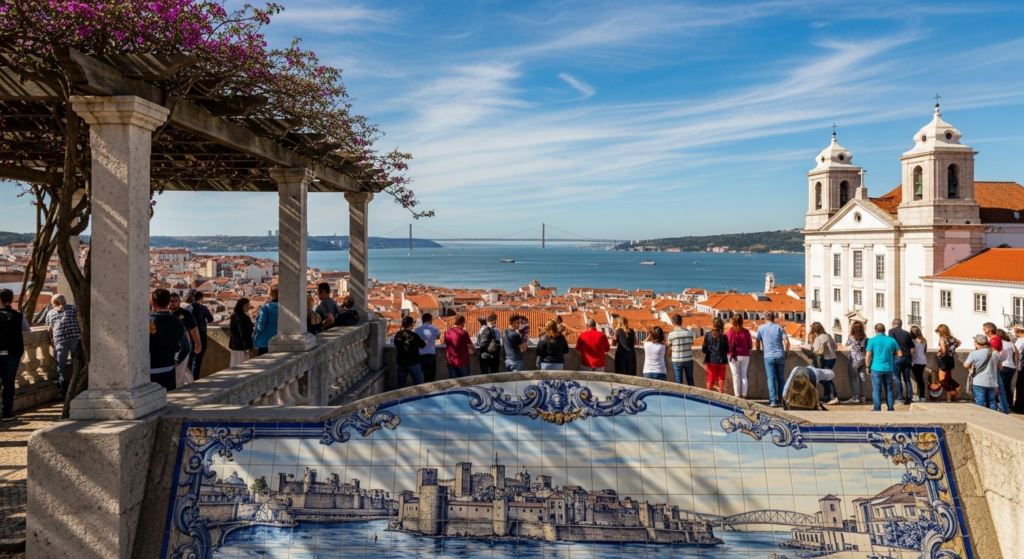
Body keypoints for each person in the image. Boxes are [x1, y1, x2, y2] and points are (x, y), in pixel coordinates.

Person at [149, 288, 190, 392]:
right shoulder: (177, 322)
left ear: (152, 302)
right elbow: (186, 347)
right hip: (168, 369)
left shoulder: (148, 321)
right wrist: (178, 360)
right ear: (168, 302)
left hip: (149, 370)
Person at [0, 289, 30, 421]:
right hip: (12, 354)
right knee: (9, 384)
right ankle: (7, 413)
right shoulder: (18, 316)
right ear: (12, 299)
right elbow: (27, 329)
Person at [44, 294, 80, 398]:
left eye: (62, 300)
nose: (62, 302)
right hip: (60, 340)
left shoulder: (73, 308)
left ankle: (76, 388)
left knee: (76, 363)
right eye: (59, 301)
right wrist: (52, 340)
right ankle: (63, 390)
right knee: (60, 366)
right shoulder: (50, 313)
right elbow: (50, 328)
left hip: (74, 338)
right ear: (54, 303)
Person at [756, 312, 790, 407]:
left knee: (771, 378)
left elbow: (758, 340)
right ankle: (782, 399)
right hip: (780, 355)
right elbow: (786, 341)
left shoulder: (761, 328)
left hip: (768, 356)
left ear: (764, 319)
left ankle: (773, 401)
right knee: (781, 378)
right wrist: (786, 352)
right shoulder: (779, 327)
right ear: (773, 318)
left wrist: (758, 350)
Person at [866, 323, 902, 412]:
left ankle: (877, 408)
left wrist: (867, 366)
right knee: (889, 388)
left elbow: (868, 356)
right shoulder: (892, 340)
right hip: (889, 368)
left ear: (875, 330)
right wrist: (890, 354)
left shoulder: (872, 340)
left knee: (876, 389)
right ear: (884, 330)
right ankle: (890, 408)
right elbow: (900, 354)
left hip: (876, 367)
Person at [169, 292, 200, 386]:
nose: (173, 303)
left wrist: (198, 343)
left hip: (182, 347)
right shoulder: (165, 313)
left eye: (175, 301)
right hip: (169, 347)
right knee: (184, 370)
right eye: (171, 301)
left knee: (180, 371)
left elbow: (194, 329)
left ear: (179, 302)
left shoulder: (185, 314)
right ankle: (191, 385)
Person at [964, 334, 1000, 410]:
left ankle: (981, 418)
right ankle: (994, 418)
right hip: (992, 381)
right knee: (992, 401)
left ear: (976, 342)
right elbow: (1000, 367)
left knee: (980, 401)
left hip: (979, 381)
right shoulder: (995, 353)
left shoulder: (974, 353)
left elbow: (966, 365)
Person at [807, 322, 839, 404]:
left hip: (825, 359)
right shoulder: (828, 336)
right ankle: (828, 397)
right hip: (833, 358)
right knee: (826, 377)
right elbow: (835, 346)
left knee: (824, 378)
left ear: (814, 331)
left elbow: (816, 350)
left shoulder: (819, 338)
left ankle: (833, 396)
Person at [186, 291, 214, 380]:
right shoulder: (203, 308)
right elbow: (210, 319)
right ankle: (195, 380)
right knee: (197, 361)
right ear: (201, 298)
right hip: (201, 335)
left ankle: (188, 380)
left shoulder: (187, 308)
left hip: (189, 336)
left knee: (189, 360)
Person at [888, 319, 915, 406]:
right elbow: (912, 348)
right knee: (907, 378)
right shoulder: (907, 333)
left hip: (897, 357)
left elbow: (891, 344)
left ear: (893, 324)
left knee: (897, 377)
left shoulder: (891, 331)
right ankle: (909, 397)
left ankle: (900, 397)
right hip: (907, 357)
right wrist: (906, 354)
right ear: (900, 324)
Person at [393, 316, 425, 388]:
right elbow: (422, 345)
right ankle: (418, 398)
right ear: (411, 324)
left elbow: (396, 344)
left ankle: (400, 398)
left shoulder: (398, 334)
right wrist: (424, 342)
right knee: (418, 384)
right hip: (413, 363)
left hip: (401, 363)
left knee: (400, 384)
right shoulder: (413, 335)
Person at [725, 315, 752, 398]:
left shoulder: (730, 332)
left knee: (735, 376)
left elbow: (727, 344)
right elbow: (750, 345)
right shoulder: (746, 332)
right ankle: (744, 395)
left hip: (733, 356)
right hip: (744, 356)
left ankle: (737, 396)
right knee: (744, 376)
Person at [935, 324, 961, 401]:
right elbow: (959, 342)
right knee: (948, 377)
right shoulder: (952, 338)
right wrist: (952, 350)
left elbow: (943, 350)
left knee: (942, 380)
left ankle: (952, 391)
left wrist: (941, 355)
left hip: (944, 360)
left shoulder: (942, 340)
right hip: (950, 358)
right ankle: (957, 387)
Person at [701, 318, 728, 392]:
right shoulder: (723, 336)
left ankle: (709, 396)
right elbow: (727, 349)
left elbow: (704, 348)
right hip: (722, 360)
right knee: (721, 378)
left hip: (710, 360)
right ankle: (721, 395)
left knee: (710, 378)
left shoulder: (708, 335)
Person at [667, 315, 695, 386]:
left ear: (673, 322)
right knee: (690, 379)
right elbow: (691, 342)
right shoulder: (689, 333)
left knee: (678, 381)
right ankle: (692, 396)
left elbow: (669, 345)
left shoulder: (671, 334)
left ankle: (680, 397)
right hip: (688, 358)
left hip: (677, 360)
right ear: (681, 322)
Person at [996, 329, 1017, 414]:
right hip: (1011, 367)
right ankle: (1009, 404)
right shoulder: (1010, 344)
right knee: (1008, 386)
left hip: (1002, 365)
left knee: (1001, 387)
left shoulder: (999, 343)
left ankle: (1001, 405)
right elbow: (1016, 354)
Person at [845, 321, 868, 404]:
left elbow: (846, 345)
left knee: (853, 378)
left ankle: (855, 397)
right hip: (863, 359)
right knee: (862, 378)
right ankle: (863, 398)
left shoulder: (851, 337)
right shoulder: (865, 338)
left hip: (854, 359)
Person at [228, 298, 255, 367]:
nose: (248, 307)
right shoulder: (243, 317)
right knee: (241, 366)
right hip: (241, 346)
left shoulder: (234, 316)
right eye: (246, 305)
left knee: (234, 365)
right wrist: (247, 347)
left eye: (248, 306)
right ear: (241, 306)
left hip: (235, 345)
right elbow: (243, 333)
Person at [252, 287, 279, 355]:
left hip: (264, 342)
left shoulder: (265, 308)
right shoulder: (285, 308)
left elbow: (260, 327)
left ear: (272, 295)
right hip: (279, 341)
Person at [414, 313, 440, 382]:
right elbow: (438, 337)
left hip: (420, 355)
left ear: (422, 320)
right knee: (431, 377)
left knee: (420, 377)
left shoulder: (416, 330)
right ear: (430, 320)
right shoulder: (435, 329)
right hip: (431, 355)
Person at [910, 326, 928, 403]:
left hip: (916, 362)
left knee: (919, 380)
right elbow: (924, 351)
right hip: (923, 361)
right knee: (919, 379)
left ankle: (921, 396)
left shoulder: (912, 341)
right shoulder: (924, 341)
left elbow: (912, 352)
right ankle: (921, 396)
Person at [1015, 326, 1024, 414]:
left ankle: (1020, 406)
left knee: (1021, 387)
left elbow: (1017, 353)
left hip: (1022, 366)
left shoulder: (1020, 341)